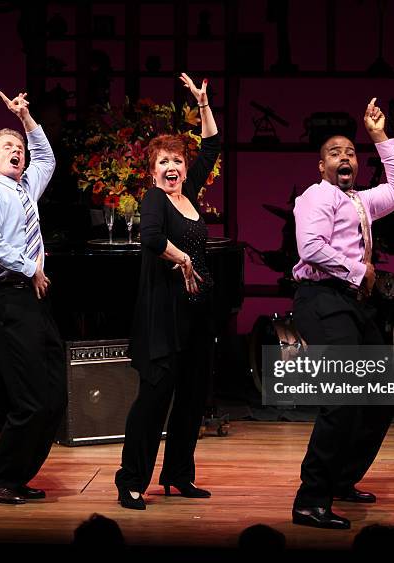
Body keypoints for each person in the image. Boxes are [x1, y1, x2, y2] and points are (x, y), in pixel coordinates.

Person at [291, 98, 394, 529]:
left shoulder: (361, 201)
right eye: (334, 152)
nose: (344, 157)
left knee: (381, 395)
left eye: (350, 152)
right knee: (342, 394)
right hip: (321, 298)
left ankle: (341, 479)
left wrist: (380, 136)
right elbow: (311, 249)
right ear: (320, 165)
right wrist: (360, 270)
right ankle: (310, 499)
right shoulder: (315, 196)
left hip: (352, 303)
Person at [114, 73, 220, 510]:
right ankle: (131, 481)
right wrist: (184, 258)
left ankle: (178, 474)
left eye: (177, 160)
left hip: (196, 313)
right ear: (153, 170)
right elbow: (152, 240)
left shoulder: (189, 192)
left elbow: (211, 147)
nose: (172, 167)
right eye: (164, 162)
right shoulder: (154, 199)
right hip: (163, 316)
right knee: (154, 401)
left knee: (192, 399)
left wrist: (202, 105)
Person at [0, 91, 66, 504]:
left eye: (19, 149)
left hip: (33, 300)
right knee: (30, 400)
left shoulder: (26, 190)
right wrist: (31, 267)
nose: (18, 152)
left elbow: (47, 160)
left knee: (54, 398)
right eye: (8, 147)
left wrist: (26, 118)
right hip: (7, 299)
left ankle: (19, 474)